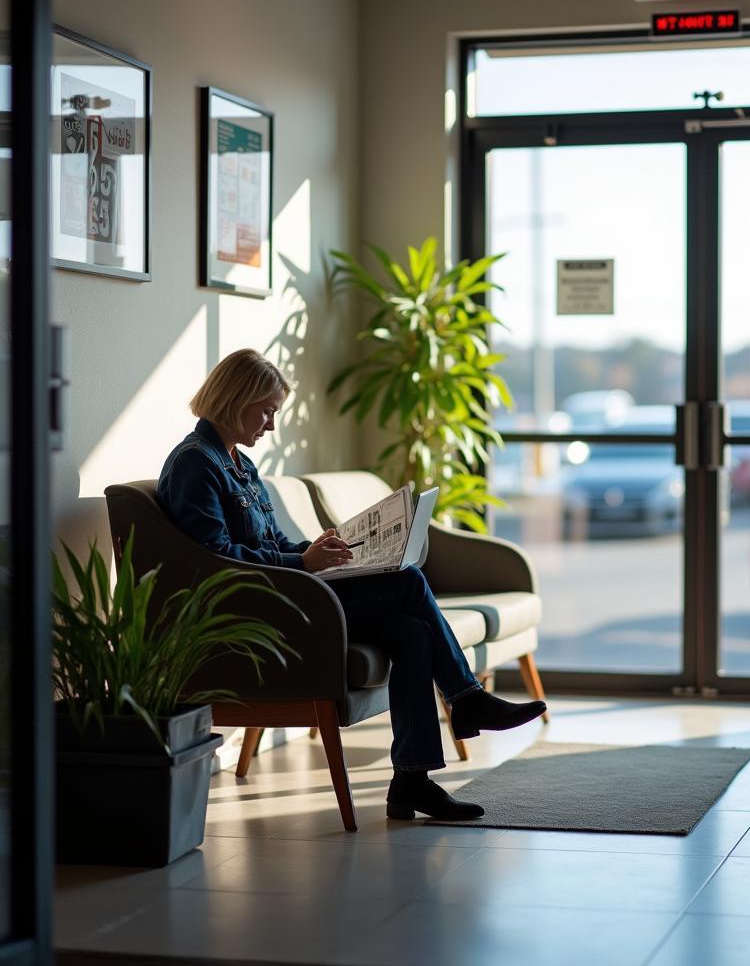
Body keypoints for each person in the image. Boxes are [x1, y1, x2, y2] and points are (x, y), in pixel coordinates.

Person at [158, 349, 546, 821]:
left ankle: (411, 782)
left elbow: (273, 540)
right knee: (407, 580)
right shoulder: (196, 465)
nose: (271, 426)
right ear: (236, 399)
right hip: (262, 608)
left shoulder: (237, 462)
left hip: (289, 592)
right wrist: (302, 561)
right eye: (267, 412)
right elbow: (216, 561)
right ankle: (467, 699)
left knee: (410, 630)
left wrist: (318, 549)